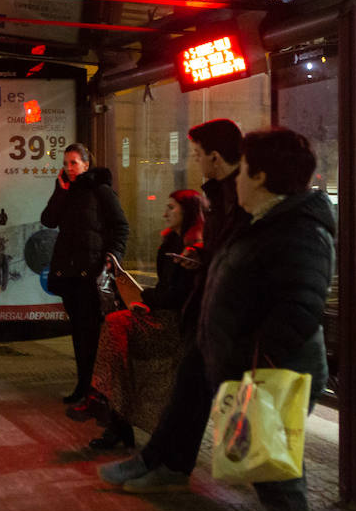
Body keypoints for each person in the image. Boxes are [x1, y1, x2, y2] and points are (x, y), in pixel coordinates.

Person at [203, 128, 333, 511]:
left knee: (281, 482)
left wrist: (259, 368)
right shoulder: (263, 220)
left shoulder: (297, 230)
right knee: (267, 476)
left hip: (277, 373)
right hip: (255, 371)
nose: (235, 177)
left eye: (242, 168)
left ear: (259, 175)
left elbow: (300, 308)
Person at [99, 118, 245, 491]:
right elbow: (224, 252)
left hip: (228, 316)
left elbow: (239, 258)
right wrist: (201, 255)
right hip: (212, 310)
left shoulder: (239, 198)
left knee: (191, 392)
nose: (196, 162)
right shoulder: (218, 197)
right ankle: (164, 465)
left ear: (215, 156)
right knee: (190, 392)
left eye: (197, 155)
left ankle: (155, 462)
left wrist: (205, 259)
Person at [71, 189, 205, 450]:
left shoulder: (194, 248)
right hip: (161, 315)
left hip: (176, 325)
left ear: (187, 212)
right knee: (116, 333)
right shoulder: (170, 244)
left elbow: (178, 295)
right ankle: (110, 411)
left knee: (115, 328)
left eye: (171, 208)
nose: (165, 213)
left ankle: (103, 400)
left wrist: (145, 298)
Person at [40, 143, 129, 404]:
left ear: (86, 164)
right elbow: (48, 220)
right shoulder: (66, 191)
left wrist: (113, 256)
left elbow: (121, 226)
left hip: (91, 271)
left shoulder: (101, 191)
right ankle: (83, 385)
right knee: (78, 331)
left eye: (74, 163)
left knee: (91, 332)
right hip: (69, 272)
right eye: (66, 163)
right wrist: (61, 192)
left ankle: (95, 388)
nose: (69, 168)